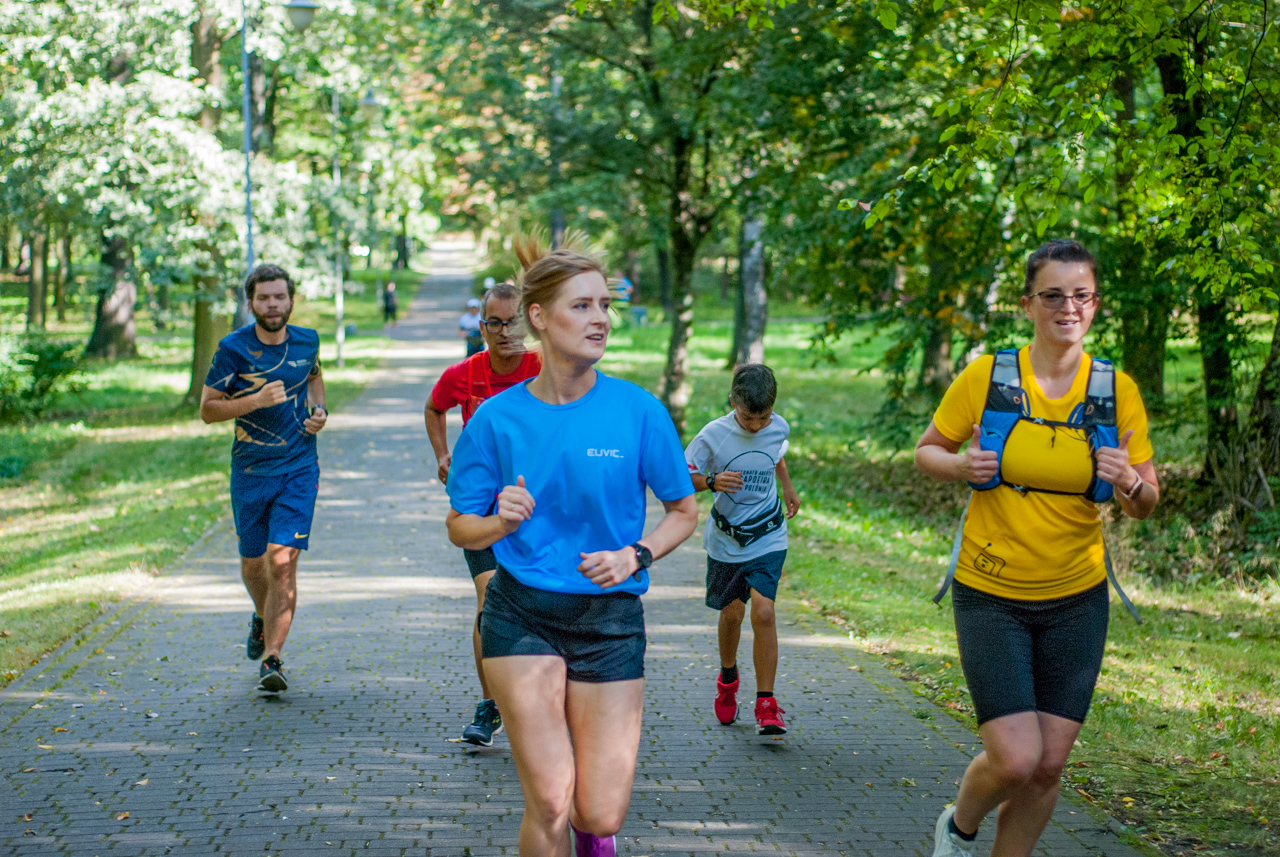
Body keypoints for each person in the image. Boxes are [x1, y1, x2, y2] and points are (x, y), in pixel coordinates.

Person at [445, 236, 698, 857]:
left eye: (604, 306)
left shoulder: (638, 411)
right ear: (540, 317)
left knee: (600, 813)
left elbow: (684, 511)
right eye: (582, 306)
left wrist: (635, 554)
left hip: (610, 622)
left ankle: (592, 840)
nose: (601, 319)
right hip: (521, 615)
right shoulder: (497, 420)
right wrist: (499, 523)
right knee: (552, 799)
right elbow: (459, 524)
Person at [914, 239, 1159, 857]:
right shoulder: (989, 376)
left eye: (1080, 295)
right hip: (991, 592)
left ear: (1096, 304)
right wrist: (962, 466)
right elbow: (927, 451)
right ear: (1028, 304)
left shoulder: (1116, 390)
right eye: (1052, 295)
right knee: (1017, 758)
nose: (1067, 307)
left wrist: (1129, 480)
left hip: (1077, 596)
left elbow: (1146, 499)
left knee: (1049, 766)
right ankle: (958, 828)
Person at [200, 264, 328, 693]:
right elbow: (208, 409)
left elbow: (315, 377)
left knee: (282, 562)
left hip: (298, 467)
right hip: (251, 471)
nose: (272, 305)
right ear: (251, 302)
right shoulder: (232, 350)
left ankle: (273, 658)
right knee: (254, 563)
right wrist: (254, 399)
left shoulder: (307, 340)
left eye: (279, 297)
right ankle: (262, 617)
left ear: (291, 299)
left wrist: (320, 413)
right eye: (263, 298)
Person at [425, 281, 542, 746]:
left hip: (539, 510)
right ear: (482, 326)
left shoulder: (544, 368)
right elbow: (435, 407)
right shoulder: (465, 374)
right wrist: (442, 454)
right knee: (490, 599)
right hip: (481, 512)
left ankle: (539, 697)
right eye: (495, 322)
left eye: (513, 321)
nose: (504, 331)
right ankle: (491, 704)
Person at [685, 364, 800, 735]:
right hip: (727, 539)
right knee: (732, 615)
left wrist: (788, 487)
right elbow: (680, 476)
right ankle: (728, 679)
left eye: (763, 417)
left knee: (763, 613)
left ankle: (767, 703)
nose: (756, 426)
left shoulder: (777, 426)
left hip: (768, 532)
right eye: (749, 417)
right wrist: (714, 481)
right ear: (733, 402)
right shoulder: (714, 435)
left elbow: (776, 454)